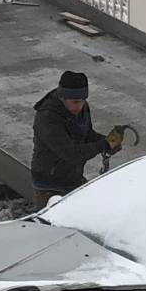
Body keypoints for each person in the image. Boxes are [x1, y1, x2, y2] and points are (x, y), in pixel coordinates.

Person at [31, 71, 122, 208]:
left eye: (82, 101)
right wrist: (102, 145)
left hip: (72, 178)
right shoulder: (48, 118)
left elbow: (86, 135)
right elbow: (71, 154)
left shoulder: (81, 108)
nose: (79, 106)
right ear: (62, 98)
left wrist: (108, 142)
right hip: (50, 183)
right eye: (75, 102)